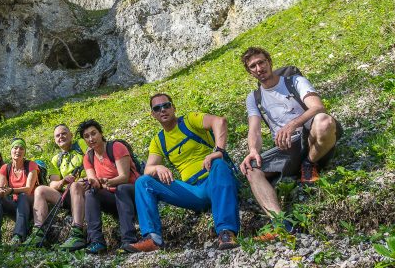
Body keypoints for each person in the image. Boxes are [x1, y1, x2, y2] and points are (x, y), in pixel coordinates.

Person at [239, 47, 342, 238]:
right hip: (287, 148)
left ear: (269, 61)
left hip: (312, 139)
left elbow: (318, 106)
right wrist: (253, 150)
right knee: (251, 169)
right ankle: (281, 224)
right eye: (253, 66)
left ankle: (309, 164)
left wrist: (292, 125)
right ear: (249, 72)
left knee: (324, 121)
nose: (259, 68)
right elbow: (254, 129)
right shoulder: (254, 98)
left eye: (261, 62)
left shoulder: (294, 81)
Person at [123, 93, 240, 253]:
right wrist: (158, 168)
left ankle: (226, 232)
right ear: (153, 114)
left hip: (215, 180)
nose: (163, 110)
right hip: (193, 191)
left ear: (173, 107)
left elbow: (220, 121)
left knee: (218, 164)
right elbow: (149, 168)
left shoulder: (190, 120)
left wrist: (218, 151)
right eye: (157, 108)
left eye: (166, 105)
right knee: (143, 182)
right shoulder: (158, 141)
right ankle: (152, 239)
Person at [79, 119, 139, 254]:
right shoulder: (88, 157)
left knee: (121, 188)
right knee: (90, 193)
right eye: (86, 136)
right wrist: (93, 183)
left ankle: (129, 240)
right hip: (113, 196)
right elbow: (92, 178)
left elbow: (124, 177)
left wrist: (108, 182)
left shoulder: (116, 147)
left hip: (132, 192)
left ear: (101, 133)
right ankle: (97, 241)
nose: (91, 138)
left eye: (93, 133)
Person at [26, 124, 87, 250]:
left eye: (64, 133)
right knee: (40, 190)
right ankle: (38, 232)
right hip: (67, 193)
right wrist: (63, 181)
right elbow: (53, 184)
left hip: (85, 188)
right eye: (57, 135)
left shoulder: (81, 144)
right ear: (55, 140)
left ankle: (77, 233)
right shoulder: (56, 159)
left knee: (75, 185)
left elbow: (94, 157)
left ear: (71, 135)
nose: (61, 137)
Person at [0, 138, 39, 244]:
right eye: (15, 148)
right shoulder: (5, 168)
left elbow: (28, 189)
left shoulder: (31, 165)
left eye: (21, 148)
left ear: (25, 152)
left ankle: (19, 236)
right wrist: (1, 192)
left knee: (22, 195)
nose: (18, 151)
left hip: (31, 205)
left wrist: (11, 190)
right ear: (11, 150)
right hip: (15, 206)